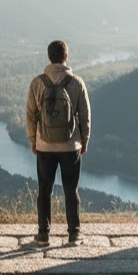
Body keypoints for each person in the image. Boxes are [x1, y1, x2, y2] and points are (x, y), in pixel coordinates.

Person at [25, 39, 91, 245]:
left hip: (45, 146)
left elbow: (30, 116)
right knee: (71, 189)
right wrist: (84, 140)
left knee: (44, 189)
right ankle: (74, 233)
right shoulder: (76, 83)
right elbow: (85, 116)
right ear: (66, 57)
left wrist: (33, 142)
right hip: (71, 147)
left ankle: (43, 233)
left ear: (49, 57)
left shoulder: (37, 83)